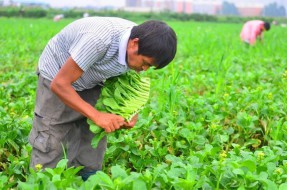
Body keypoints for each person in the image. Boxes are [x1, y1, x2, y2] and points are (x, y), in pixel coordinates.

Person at [28, 17, 177, 180]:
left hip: (93, 77)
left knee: (93, 132)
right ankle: (43, 180)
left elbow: (129, 81)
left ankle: (88, 178)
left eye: (150, 67)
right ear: (134, 44)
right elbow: (60, 84)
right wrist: (97, 115)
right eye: (145, 63)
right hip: (58, 73)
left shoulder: (142, 43)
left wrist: (131, 110)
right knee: (53, 132)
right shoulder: (99, 40)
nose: (144, 69)